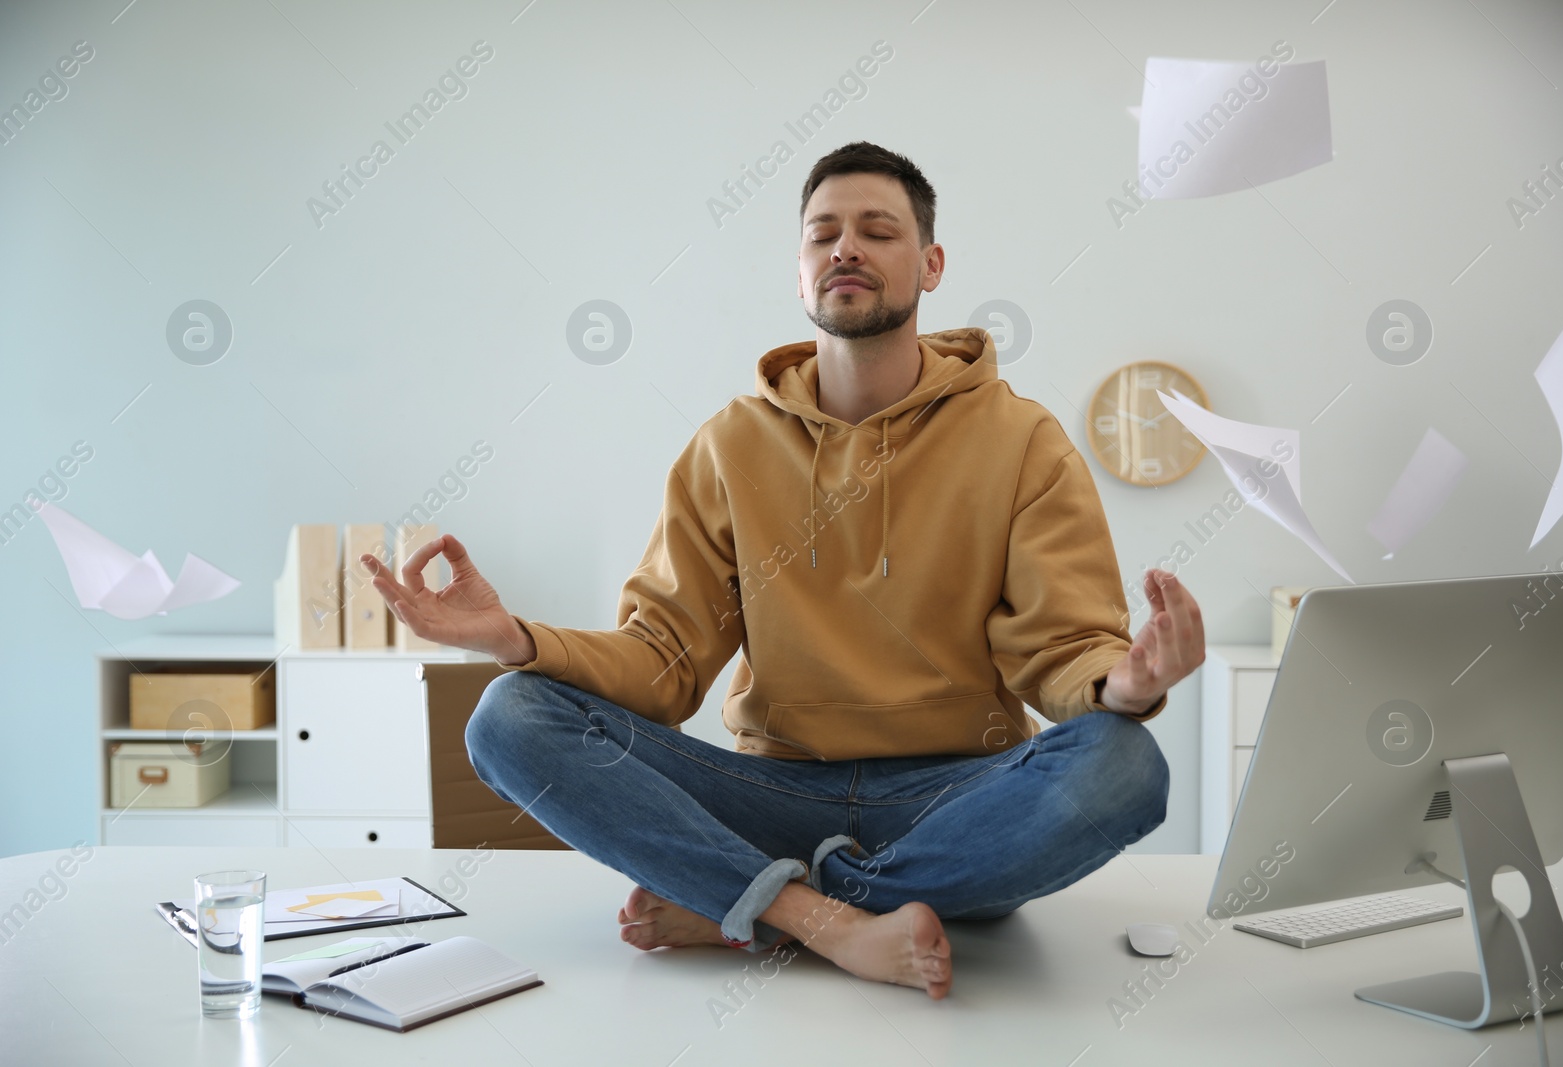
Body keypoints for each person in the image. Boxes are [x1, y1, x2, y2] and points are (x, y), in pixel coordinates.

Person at [363, 141, 1205, 1001]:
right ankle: (834, 920)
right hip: (769, 790)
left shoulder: (1024, 441)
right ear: (800, 273)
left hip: (956, 796)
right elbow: (662, 664)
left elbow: (1062, 647)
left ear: (931, 264)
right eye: (822, 235)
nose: (845, 248)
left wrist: (1125, 685)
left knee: (1124, 761)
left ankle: (762, 904)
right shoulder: (729, 445)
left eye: (878, 231)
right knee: (509, 713)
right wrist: (513, 636)